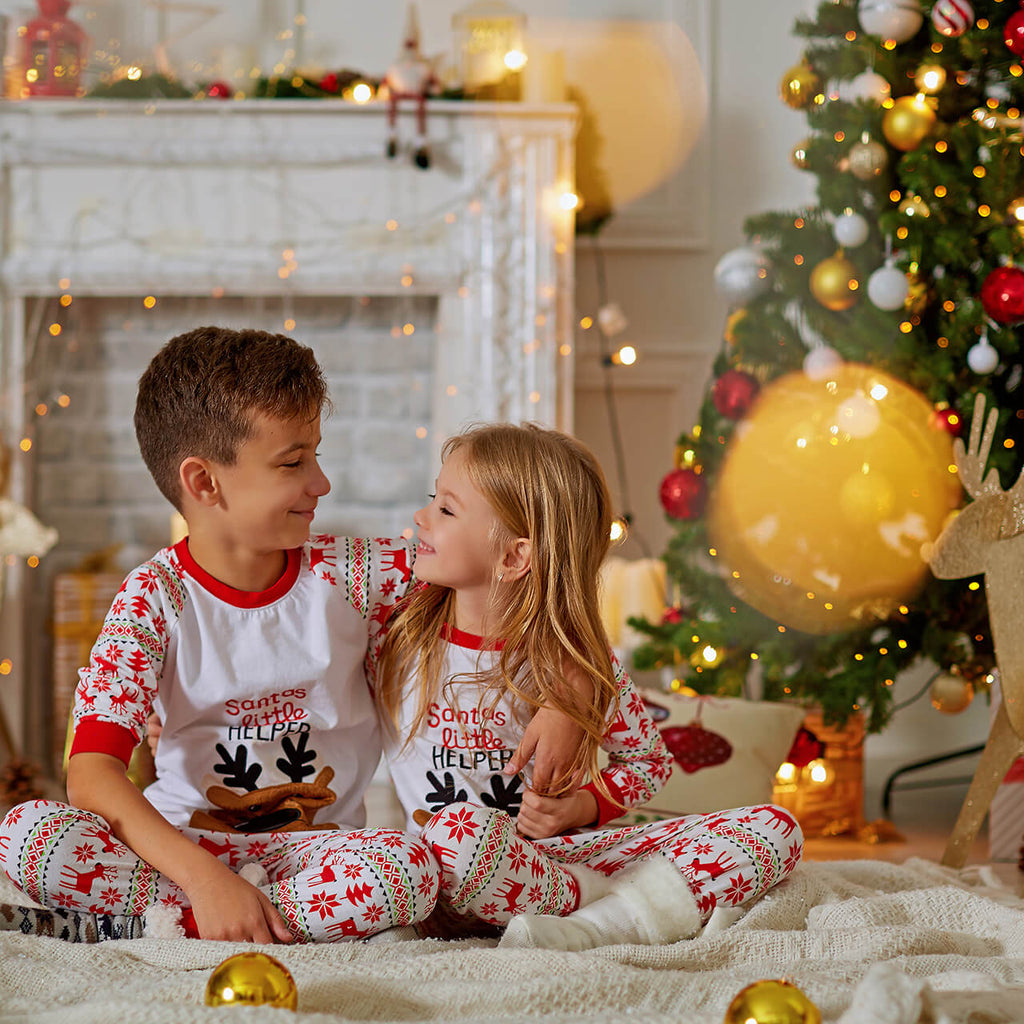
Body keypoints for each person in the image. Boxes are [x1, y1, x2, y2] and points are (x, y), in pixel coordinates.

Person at [0, 326, 447, 944]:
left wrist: (561, 697)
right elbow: (91, 773)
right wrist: (207, 880)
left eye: (316, 453)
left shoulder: (360, 573)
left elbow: (487, 581)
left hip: (315, 854)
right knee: (27, 835)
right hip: (180, 851)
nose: (320, 482)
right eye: (293, 462)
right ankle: (233, 914)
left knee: (410, 871)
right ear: (204, 483)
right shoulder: (151, 600)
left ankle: (147, 925)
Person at [372, 423, 804, 949]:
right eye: (431, 500)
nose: (421, 517)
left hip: (560, 862)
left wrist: (579, 808)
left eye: (446, 509)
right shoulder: (394, 631)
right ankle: (605, 908)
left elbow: (648, 763)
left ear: (514, 557)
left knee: (775, 829)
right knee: (457, 832)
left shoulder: (579, 665)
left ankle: (592, 927)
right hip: (445, 874)